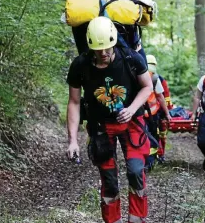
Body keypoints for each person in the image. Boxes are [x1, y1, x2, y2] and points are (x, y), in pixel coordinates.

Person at [66, 16, 152, 223]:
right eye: (98, 49)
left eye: (107, 48)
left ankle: (137, 218)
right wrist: (73, 141)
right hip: (100, 126)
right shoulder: (80, 65)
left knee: (136, 171)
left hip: (132, 123)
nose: (103, 53)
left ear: (114, 41)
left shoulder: (131, 58)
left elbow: (147, 86)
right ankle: (113, 220)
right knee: (109, 179)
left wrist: (131, 109)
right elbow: (74, 102)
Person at [144, 55, 172, 171]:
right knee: (153, 136)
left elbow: (163, 97)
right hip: (152, 113)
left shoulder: (135, 74)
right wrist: (168, 113)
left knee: (145, 136)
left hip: (142, 113)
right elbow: (161, 97)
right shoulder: (156, 77)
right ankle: (151, 160)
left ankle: (149, 159)